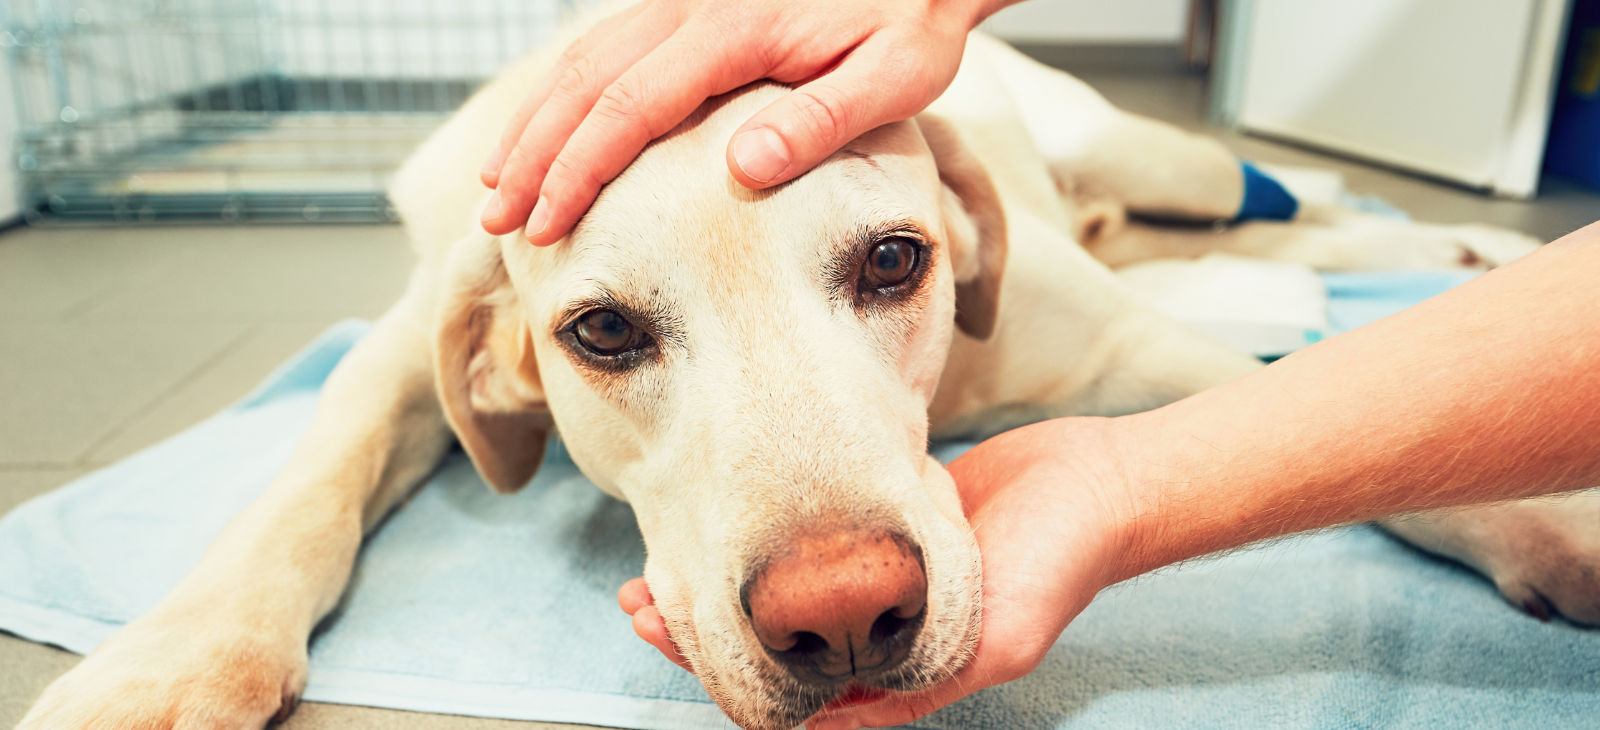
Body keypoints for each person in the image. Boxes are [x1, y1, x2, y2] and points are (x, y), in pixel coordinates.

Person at [482, 2, 1600, 728]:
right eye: (613, 333)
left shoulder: (957, 191)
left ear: (968, 241)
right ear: (508, 358)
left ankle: (1295, 209)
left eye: (884, 265)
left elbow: (1142, 348)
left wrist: (1477, 506)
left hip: (1019, 129)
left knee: (1187, 177)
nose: (836, 597)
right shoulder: (494, 236)